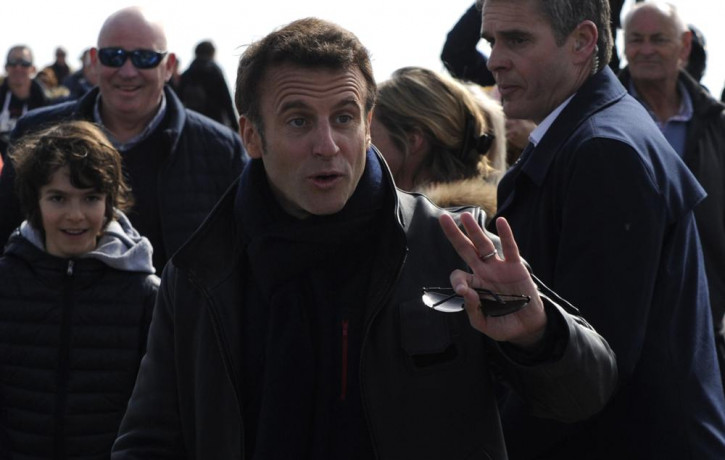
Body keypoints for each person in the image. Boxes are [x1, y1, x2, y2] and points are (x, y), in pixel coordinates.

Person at [110, 17, 617, 459]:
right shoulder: (200, 273)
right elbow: (150, 439)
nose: (327, 145)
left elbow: (584, 395)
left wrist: (538, 333)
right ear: (251, 137)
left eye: (345, 118)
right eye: (298, 121)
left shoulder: (449, 244)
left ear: (369, 125)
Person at [479, 0, 725, 458]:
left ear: (582, 42)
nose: (495, 59)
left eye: (516, 39)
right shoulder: (595, 134)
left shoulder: (604, 152)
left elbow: (588, 376)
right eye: (491, 41)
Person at [0, 7, 247, 273]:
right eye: (113, 56)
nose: (128, 71)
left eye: (145, 57)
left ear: (169, 66)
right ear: (94, 61)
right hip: (49, 311)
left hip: (179, 314)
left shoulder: (222, 151)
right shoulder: (35, 133)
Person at [0, 120, 159, 459]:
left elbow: (159, 414)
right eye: (58, 198)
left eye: (90, 198)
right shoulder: (6, 283)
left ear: (109, 203)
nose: (75, 215)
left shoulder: (146, 296)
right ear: (35, 202)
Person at [619, 1, 725, 390]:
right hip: (620, 317)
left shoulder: (716, 124)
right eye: (636, 39)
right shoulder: (596, 116)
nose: (646, 50)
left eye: (658, 39)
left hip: (705, 315)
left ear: (683, 46)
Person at [371, 66, 506, 218]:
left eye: (369, 134)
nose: (363, 145)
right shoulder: (492, 218)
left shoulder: (424, 231)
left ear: (413, 140)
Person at [0, 45, 48, 160]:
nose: (18, 68)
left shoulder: (46, 103)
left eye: (24, 63)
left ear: (33, 69)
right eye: (12, 63)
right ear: (6, 67)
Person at [178, 40, 238, 131]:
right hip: (216, 124)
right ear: (212, 53)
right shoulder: (215, 72)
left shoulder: (187, 74)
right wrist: (235, 126)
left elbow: (178, 100)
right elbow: (226, 100)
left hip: (192, 124)